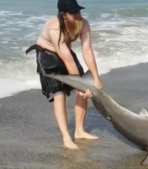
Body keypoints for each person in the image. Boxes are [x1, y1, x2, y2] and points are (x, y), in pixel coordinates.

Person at [25, 0, 102, 150]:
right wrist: (77, 84)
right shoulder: (55, 27)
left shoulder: (83, 24)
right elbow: (66, 58)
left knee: (86, 87)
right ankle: (66, 137)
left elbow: (87, 51)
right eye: (74, 13)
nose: (78, 15)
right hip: (48, 55)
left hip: (65, 52)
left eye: (78, 11)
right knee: (59, 94)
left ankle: (79, 130)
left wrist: (96, 78)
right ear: (64, 15)